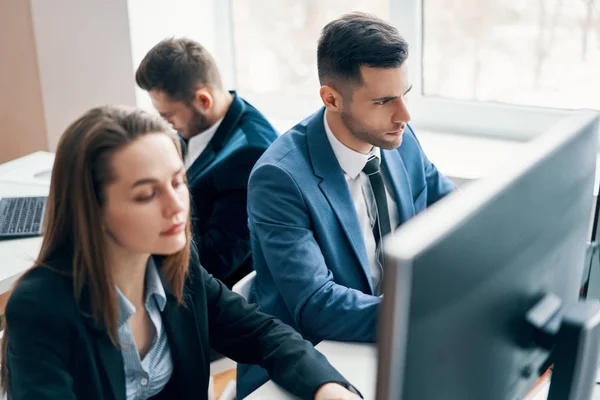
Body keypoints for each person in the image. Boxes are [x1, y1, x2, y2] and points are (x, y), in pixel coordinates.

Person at [0, 106, 362, 400]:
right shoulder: (40, 308)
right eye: (146, 194)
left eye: (177, 182)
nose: (176, 207)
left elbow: (263, 334)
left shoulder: (176, 268)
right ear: (93, 209)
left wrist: (326, 387)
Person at [237, 12, 456, 397]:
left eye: (404, 94)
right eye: (384, 100)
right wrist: (418, 315)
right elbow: (316, 305)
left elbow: (452, 212)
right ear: (331, 98)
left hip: (382, 343)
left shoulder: (396, 135)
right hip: (311, 364)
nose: (404, 115)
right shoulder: (279, 179)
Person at [135, 38, 278, 288]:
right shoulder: (203, 123)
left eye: (168, 115)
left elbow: (215, 259)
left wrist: (135, 246)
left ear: (204, 100)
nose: (165, 123)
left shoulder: (249, 156)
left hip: (205, 289)